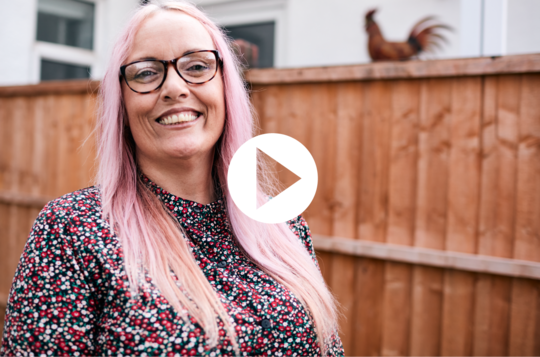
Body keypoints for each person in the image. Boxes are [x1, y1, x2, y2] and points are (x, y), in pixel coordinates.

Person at [0, 1, 344, 356]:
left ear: (226, 87)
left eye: (197, 66)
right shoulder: (72, 230)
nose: (175, 88)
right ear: (122, 102)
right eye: (146, 73)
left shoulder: (281, 223)